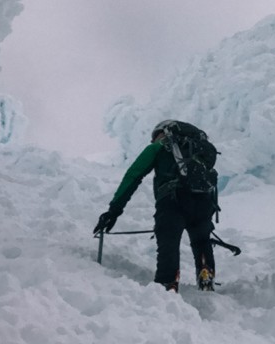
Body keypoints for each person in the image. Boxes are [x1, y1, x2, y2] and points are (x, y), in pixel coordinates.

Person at [93, 120, 217, 292]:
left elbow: (133, 175)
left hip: (173, 201)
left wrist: (114, 210)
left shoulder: (160, 146)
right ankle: (206, 278)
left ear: (162, 132)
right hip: (203, 203)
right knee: (202, 240)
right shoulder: (200, 149)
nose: (152, 141)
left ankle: (168, 284)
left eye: (154, 136)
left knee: (169, 241)